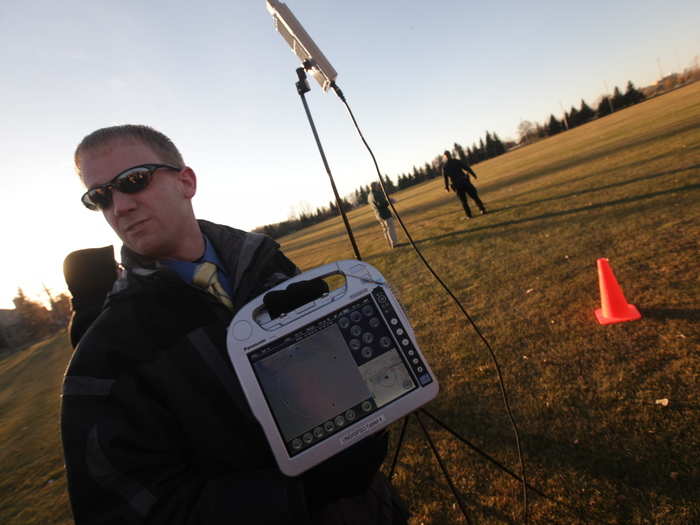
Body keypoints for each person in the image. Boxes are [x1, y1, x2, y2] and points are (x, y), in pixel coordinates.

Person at [60, 124, 408, 525]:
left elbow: (337, 375)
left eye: (134, 182)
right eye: (99, 197)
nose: (119, 207)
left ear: (186, 181)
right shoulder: (107, 353)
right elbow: (128, 512)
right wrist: (300, 492)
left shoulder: (264, 262)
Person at [442, 150, 487, 219]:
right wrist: (473, 174)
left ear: (445, 157)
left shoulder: (445, 167)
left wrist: (447, 187)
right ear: (450, 155)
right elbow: (466, 167)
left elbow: (445, 178)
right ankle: (482, 210)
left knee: (464, 201)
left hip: (457, 185)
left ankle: (469, 215)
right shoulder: (456, 161)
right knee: (475, 197)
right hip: (465, 181)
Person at [367, 182, 398, 248]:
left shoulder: (369, 195)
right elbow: (381, 204)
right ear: (374, 186)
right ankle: (394, 243)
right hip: (384, 214)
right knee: (390, 228)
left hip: (378, 215)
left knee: (385, 229)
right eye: (377, 185)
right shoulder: (375, 194)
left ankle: (390, 244)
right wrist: (390, 201)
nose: (378, 186)